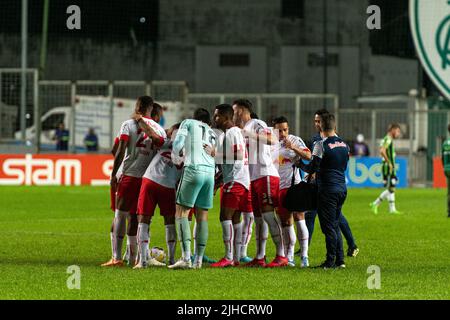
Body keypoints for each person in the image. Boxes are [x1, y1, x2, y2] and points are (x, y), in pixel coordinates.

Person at [101, 96, 166, 267]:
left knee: (120, 215)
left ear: (139, 106)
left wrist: (113, 174)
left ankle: (116, 257)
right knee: (137, 218)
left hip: (129, 175)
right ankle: (132, 257)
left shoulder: (128, 124)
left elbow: (119, 149)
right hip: (147, 178)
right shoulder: (159, 129)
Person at [233, 99, 287, 268]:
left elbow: (272, 139)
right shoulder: (241, 130)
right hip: (253, 178)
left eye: (234, 111)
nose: (233, 115)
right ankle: (260, 256)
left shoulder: (256, 123)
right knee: (259, 219)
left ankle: (281, 255)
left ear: (241, 111)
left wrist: (248, 134)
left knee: (269, 216)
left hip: (266, 175)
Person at [301, 109, 359, 258]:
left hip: (327, 189)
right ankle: (339, 260)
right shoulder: (344, 145)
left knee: (328, 227)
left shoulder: (321, 144)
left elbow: (313, 167)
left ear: (321, 126)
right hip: (341, 188)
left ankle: (331, 260)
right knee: (334, 223)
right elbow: (345, 165)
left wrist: (299, 164)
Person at [169, 108, 217, 269]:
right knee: (202, 215)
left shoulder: (188, 123)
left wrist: (178, 155)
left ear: (194, 117)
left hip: (193, 168)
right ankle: (198, 261)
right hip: (209, 173)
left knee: (181, 211)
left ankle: (185, 258)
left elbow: (177, 144)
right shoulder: (212, 132)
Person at [134, 123, 182, 268]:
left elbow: (154, 137)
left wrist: (140, 120)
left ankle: (143, 260)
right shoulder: (190, 151)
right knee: (170, 221)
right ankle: (172, 260)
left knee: (143, 219)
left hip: (150, 180)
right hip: (168, 185)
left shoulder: (168, 142)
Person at [210, 104, 252, 267]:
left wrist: (216, 153)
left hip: (235, 179)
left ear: (227, 117)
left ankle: (228, 257)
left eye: (217, 116)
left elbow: (239, 155)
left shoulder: (232, 132)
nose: (215, 119)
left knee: (224, 217)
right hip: (240, 180)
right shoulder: (229, 134)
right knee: (235, 218)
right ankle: (235, 258)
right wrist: (217, 181)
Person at [272, 116, 311, 267]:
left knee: (299, 217)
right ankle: (289, 256)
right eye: (279, 130)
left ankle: (304, 256)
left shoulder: (294, 140)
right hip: (278, 187)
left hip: (294, 186)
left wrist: (293, 147)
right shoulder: (270, 144)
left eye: (285, 130)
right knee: (286, 222)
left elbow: (308, 156)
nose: (283, 133)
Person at [370, 123, 402, 215]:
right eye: (398, 131)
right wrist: (389, 163)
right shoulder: (388, 139)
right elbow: (382, 151)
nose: (398, 133)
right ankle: (375, 203)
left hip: (387, 166)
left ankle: (392, 209)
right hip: (389, 166)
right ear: (393, 130)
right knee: (392, 187)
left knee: (391, 187)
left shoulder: (385, 138)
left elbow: (382, 149)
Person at [442, 124, 450, 218]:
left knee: (449, 192)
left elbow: (442, 157)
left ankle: (449, 212)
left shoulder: (445, 143)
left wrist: (444, 167)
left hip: (447, 169)